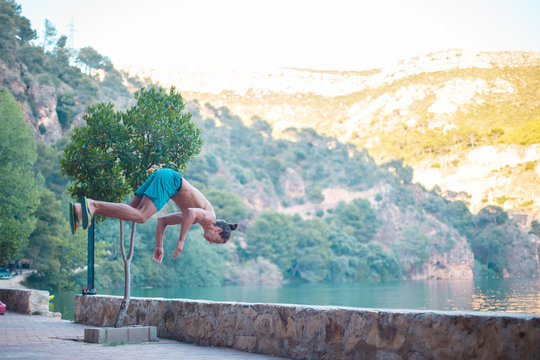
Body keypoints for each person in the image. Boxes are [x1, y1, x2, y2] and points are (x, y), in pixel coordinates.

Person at [69, 168, 238, 262]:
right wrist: (181, 241)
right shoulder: (209, 216)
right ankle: (92, 205)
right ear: (217, 230)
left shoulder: (196, 219)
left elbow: (162, 221)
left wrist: (159, 246)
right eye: (215, 241)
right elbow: (191, 213)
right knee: (142, 216)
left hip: (165, 176)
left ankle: (83, 209)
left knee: (130, 212)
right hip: (170, 180)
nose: (210, 242)